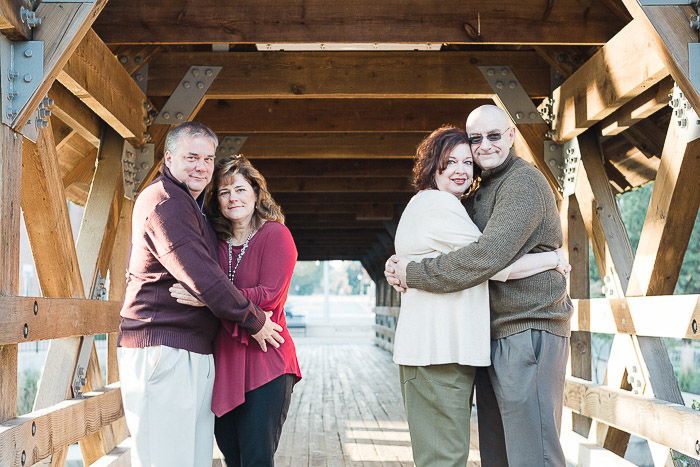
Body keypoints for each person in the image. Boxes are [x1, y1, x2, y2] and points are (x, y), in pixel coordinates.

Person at [386, 106, 574, 467]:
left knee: (532, 450)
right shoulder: (477, 192)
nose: (484, 147)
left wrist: (413, 273)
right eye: (476, 140)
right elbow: (452, 248)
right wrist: (399, 265)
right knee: (499, 452)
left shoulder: (523, 183)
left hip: (528, 325)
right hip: (492, 336)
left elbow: (486, 257)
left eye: (493, 136)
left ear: (511, 135)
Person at [118, 123, 284, 467]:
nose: (201, 166)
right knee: (163, 458)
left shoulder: (191, 206)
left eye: (208, 158)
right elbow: (202, 276)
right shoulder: (165, 201)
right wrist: (254, 320)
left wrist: (211, 299)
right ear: (168, 157)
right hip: (162, 346)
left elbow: (208, 283)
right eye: (191, 157)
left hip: (189, 348)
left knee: (189, 458)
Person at [169, 155, 301, 466]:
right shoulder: (213, 240)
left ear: (257, 193)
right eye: (224, 192)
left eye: (240, 190)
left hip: (266, 357)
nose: (233, 199)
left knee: (256, 458)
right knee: (232, 456)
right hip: (223, 360)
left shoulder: (276, 235)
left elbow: (268, 296)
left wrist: (209, 298)